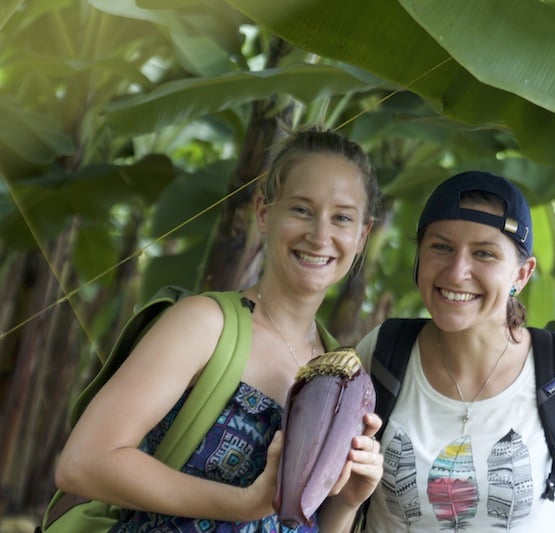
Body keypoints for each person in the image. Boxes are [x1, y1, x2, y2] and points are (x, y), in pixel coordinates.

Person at [55, 128, 385, 532]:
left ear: (362, 235)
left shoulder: (341, 373)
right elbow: (84, 463)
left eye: (342, 218)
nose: (319, 235)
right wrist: (244, 503)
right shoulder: (204, 324)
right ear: (265, 213)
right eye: (301, 209)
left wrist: (348, 502)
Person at [355, 170, 555, 531]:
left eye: (484, 253)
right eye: (441, 247)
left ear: (522, 274)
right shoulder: (384, 353)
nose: (457, 271)